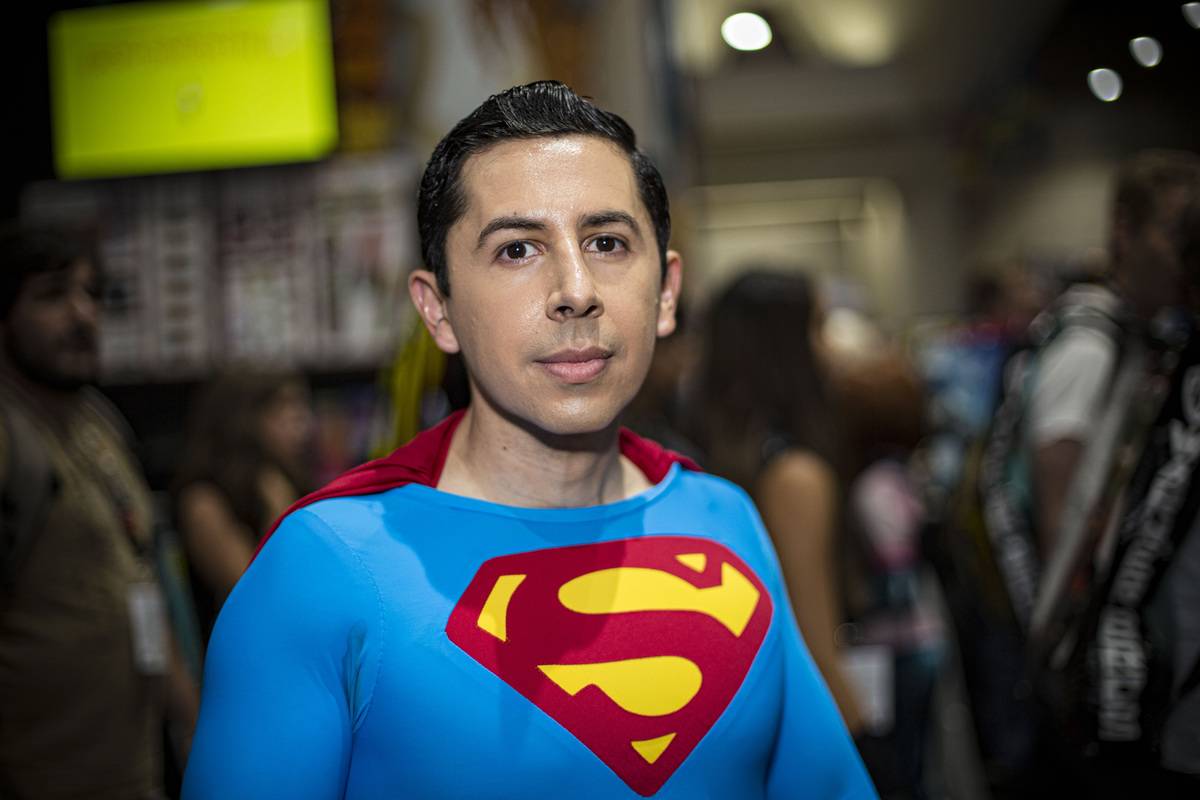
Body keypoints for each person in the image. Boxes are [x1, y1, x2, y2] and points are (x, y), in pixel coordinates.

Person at [182, 81, 877, 799]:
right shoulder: (325, 566)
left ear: (666, 294)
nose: (575, 289)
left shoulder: (725, 520)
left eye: (607, 242)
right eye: (517, 249)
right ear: (439, 309)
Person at [0, 224, 197, 799]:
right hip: (38, 775)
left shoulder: (97, 420)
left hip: (131, 766)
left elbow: (140, 578)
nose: (83, 314)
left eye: (89, 293)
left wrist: (193, 720)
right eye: (53, 295)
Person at [173, 369, 313, 640]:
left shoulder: (288, 480)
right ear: (243, 419)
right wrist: (277, 508)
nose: (301, 422)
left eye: (300, 406)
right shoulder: (203, 499)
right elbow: (256, 594)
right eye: (282, 408)